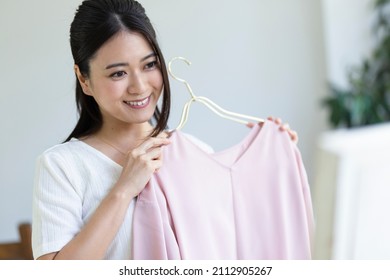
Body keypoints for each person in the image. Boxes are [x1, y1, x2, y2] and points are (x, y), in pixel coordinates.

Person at [32, 0, 298, 260]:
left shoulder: (195, 153)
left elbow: (237, 246)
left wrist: (272, 159)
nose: (139, 86)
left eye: (149, 65)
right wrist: (124, 190)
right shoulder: (62, 166)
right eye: (118, 73)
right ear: (83, 79)